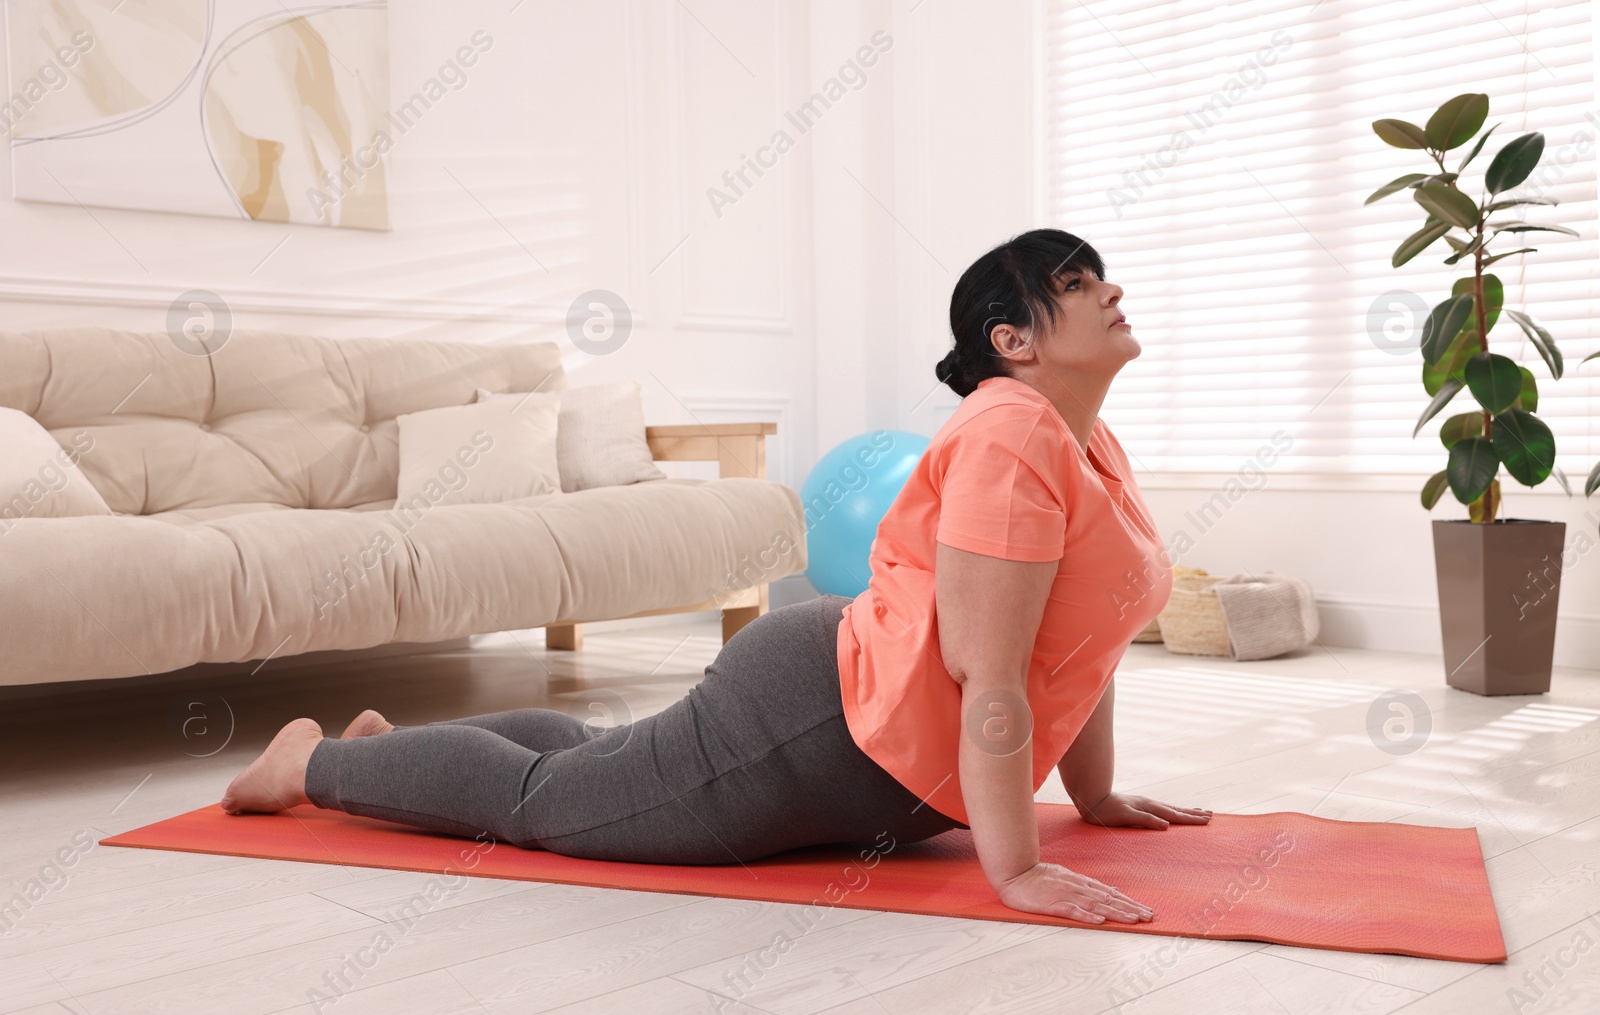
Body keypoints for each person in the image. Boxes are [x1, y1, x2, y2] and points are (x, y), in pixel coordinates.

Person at [223, 228, 1210, 926]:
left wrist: (1096, 792)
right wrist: (1019, 868)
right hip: (819, 721)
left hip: (852, 725)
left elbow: (1088, 639)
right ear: (1014, 341)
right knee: (547, 803)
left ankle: (392, 750)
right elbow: (985, 668)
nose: (1109, 290)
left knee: (593, 756)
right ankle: (311, 764)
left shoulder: (1090, 443)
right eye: (1078, 283)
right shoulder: (1010, 431)